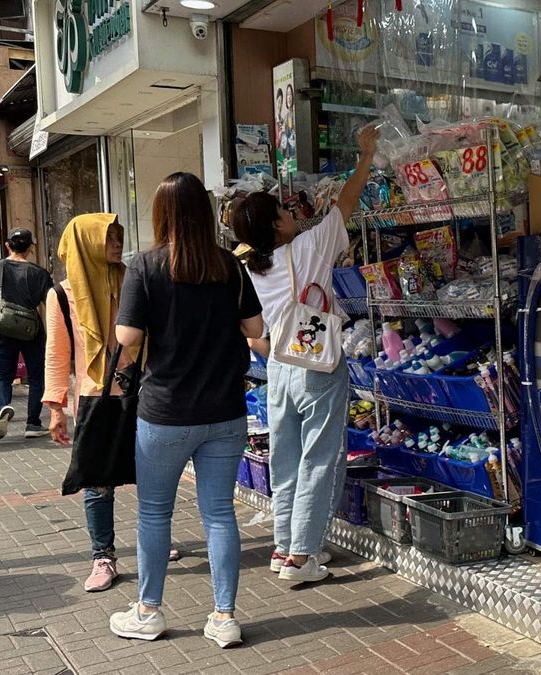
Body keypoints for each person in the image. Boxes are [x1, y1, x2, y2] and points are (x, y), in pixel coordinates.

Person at [109, 172, 263, 647]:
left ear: (162, 213)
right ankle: (223, 618)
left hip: (167, 412)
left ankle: (149, 610)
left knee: (155, 512)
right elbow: (255, 327)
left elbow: (127, 338)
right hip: (226, 410)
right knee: (219, 512)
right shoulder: (230, 267)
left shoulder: (146, 266)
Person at [230, 124, 378, 583]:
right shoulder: (308, 247)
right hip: (316, 363)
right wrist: (366, 155)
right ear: (276, 223)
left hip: (278, 365)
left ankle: (284, 546)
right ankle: (302, 556)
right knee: (319, 456)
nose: (292, 212)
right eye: (284, 210)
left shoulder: (249, 265)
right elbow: (346, 204)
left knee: (287, 457)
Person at [44, 214, 133, 592]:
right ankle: (103, 556)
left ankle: (157, 541)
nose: (116, 243)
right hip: (93, 398)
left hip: (140, 393)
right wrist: (55, 408)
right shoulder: (61, 294)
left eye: (118, 235)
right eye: (108, 237)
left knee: (151, 474)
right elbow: (56, 353)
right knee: (96, 481)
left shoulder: (131, 280)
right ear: (86, 243)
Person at [0, 229, 54, 440]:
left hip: (3, 329)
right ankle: (33, 423)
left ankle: (1, 410)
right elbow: (51, 305)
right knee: (37, 377)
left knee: (2, 375)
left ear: (7, 245)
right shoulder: (39, 273)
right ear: (31, 247)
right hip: (32, 332)